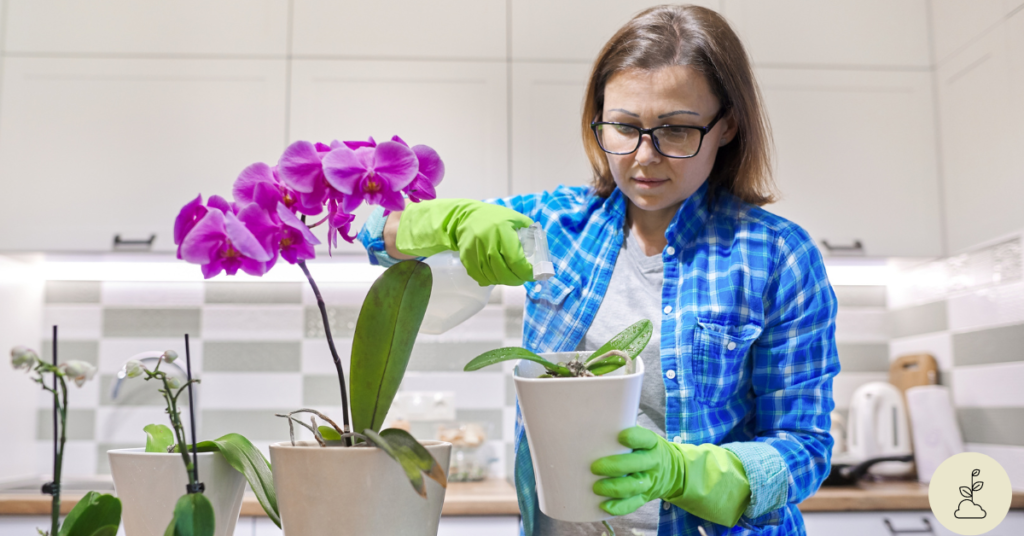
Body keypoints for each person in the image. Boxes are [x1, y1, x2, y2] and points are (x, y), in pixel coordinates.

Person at [358, 4, 838, 535]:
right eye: (624, 127)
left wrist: (689, 473)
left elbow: (805, 447)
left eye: (676, 131)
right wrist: (454, 219)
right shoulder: (555, 228)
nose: (644, 157)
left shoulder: (776, 256)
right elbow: (377, 233)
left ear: (726, 125)